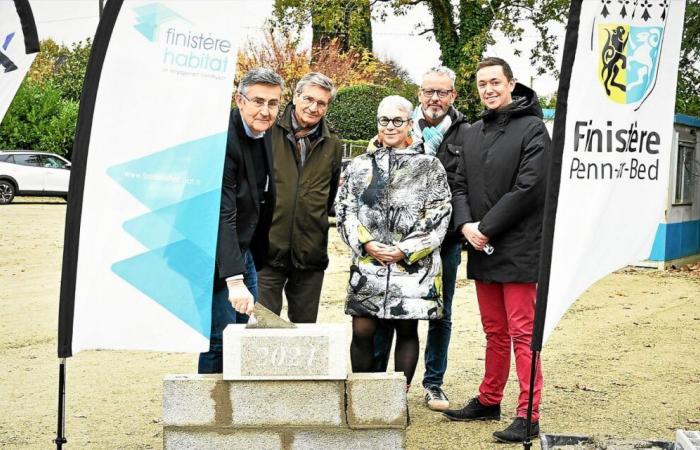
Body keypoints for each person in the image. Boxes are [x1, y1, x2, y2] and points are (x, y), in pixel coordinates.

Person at [442, 57, 550, 443]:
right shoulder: (470, 133)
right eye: (482, 83)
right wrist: (466, 225)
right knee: (494, 331)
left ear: (511, 84)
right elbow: (457, 184)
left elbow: (530, 187)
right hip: (480, 245)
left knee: (523, 333)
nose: (488, 89)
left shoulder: (534, 128)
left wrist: (485, 229)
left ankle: (528, 414)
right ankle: (490, 399)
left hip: (519, 249)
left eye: (495, 82)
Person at [335, 95, 452, 391]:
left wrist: (405, 249)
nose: (390, 126)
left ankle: (397, 398)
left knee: (406, 328)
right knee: (362, 328)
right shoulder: (359, 166)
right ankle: (363, 395)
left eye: (397, 121)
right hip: (368, 264)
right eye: (384, 120)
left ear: (409, 124)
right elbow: (345, 209)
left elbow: (439, 213)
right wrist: (367, 244)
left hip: (412, 267)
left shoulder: (429, 166)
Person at [372, 66, 471, 412]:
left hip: (444, 242)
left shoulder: (466, 134)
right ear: (419, 94)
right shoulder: (399, 126)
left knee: (439, 314)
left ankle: (434, 383)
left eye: (442, 92)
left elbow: (464, 186)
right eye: (429, 91)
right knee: (389, 311)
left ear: (452, 96)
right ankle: (379, 382)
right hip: (396, 244)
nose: (434, 98)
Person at [198, 68, 284, 374]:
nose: (265, 110)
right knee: (219, 339)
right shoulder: (224, 140)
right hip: (217, 252)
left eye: (273, 103)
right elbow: (222, 213)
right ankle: (205, 412)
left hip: (245, 248)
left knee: (245, 334)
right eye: (258, 101)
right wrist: (233, 280)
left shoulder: (264, 130)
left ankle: (234, 408)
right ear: (240, 100)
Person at [257, 72, 343, 323]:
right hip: (267, 251)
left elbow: (329, 198)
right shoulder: (267, 131)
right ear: (295, 96)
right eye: (308, 99)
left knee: (306, 333)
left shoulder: (333, 144)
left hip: (310, 253)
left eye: (322, 103)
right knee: (264, 327)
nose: (314, 107)